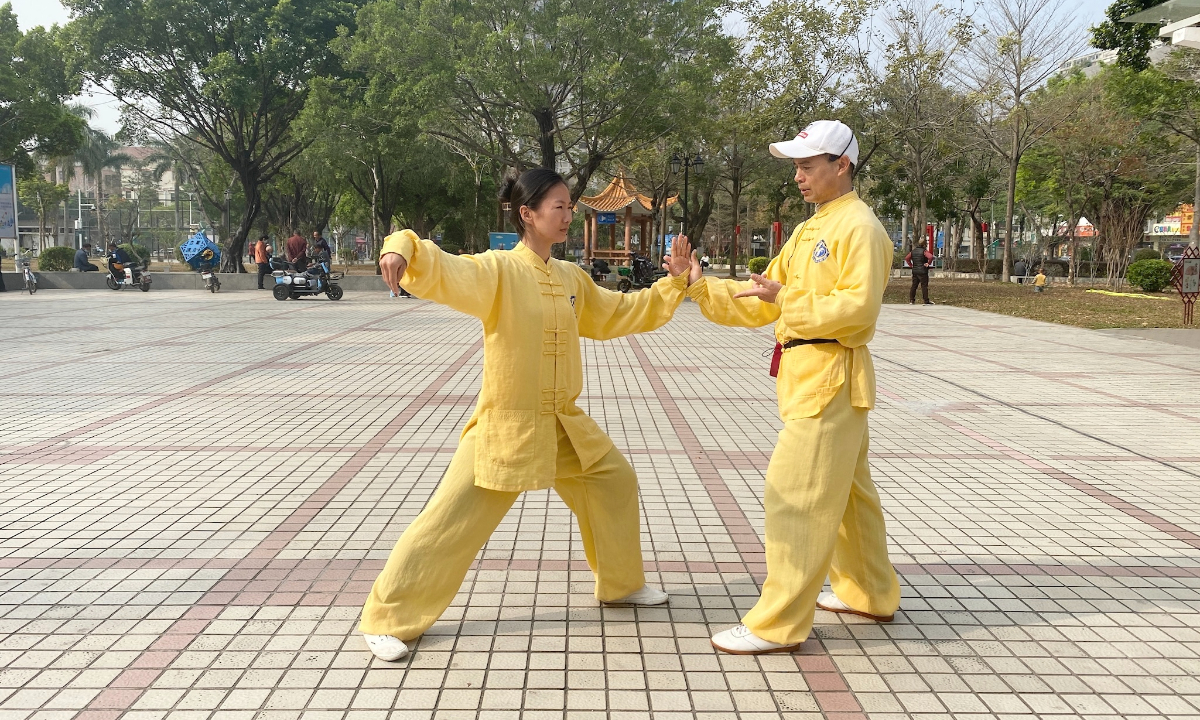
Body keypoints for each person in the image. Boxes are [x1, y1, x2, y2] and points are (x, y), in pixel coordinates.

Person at [361, 168, 695, 662]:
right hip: (509, 423)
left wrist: (672, 285)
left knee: (614, 481)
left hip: (563, 423)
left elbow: (618, 311)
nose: (566, 215)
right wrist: (402, 245)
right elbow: (445, 268)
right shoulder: (498, 270)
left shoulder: (570, 278)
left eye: (568, 206)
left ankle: (620, 585)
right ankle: (387, 619)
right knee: (451, 520)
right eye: (556, 206)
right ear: (527, 214)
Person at [684, 120, 901, 655]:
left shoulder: (860, 229)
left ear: (841, 165)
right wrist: (699, 288)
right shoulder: (811, 229)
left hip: (830, 380)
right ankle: (870, 592)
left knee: (795, 497)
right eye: (797, 168)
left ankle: (777, 622)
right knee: (850, 499)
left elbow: (859, 312)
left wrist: (788, 301)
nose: (799, 177)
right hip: (810, 378)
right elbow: (764, 296)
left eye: (808, 166)